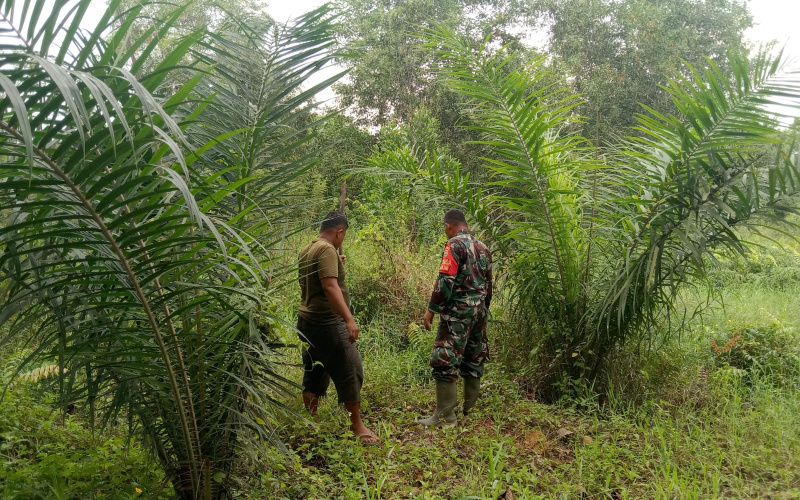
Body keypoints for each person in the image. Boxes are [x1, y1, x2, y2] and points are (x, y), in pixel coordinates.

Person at [297, 211, 379, 444]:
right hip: (327, 322)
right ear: (339, 231)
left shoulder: (309, 248)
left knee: (315, 369)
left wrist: (337, 263)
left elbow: (317, 278)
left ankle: (311, 418)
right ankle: (357, 425)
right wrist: (349, 319)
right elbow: (330, 286)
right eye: (343, 236)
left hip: (307, 321)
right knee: (351, 369)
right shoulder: (326, 250)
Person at [418, 209, 493, 426]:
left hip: (458, 312)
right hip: (479, 311)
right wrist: (482, 310)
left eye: (445, 228)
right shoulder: (484, 248)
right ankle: (470, 410)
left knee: (445, 356)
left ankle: (445, 416)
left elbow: (445, 281)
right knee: (474, 355)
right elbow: (488, 286)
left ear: (449, 225)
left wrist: (432, 309)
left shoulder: (454, 245)